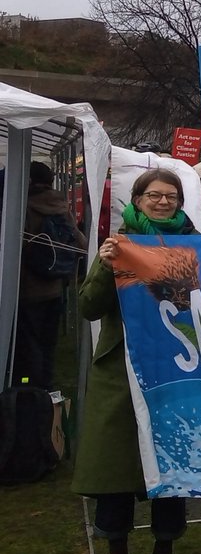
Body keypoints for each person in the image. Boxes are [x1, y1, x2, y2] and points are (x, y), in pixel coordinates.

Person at [72, 168, 193, 554]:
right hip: (120, 372)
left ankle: (164, 553)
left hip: (177, 366)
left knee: (172, 462)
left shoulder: (192, 243)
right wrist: (106, 267)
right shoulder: (118, 245)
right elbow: (88, 307)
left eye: (171, 197)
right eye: (154, 196)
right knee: (115, 468)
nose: (163, 203)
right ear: (137, 200)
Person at [15, 161, 86, 389]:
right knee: (48, 341)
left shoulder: (22, 205)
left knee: (28, 343)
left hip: (28, 287)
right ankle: (45, 385)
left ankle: (28, 387)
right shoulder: (60, 205)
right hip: (55, 285)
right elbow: (81, 243)